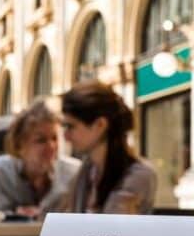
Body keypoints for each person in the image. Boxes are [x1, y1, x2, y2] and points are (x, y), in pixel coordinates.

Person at [60, 81, 157, 214]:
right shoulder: (87, 170)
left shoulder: (139, 175)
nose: (66, 136)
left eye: (71, 126)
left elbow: (112, 228)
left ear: (100, 124)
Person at [0, 100, 80, 217]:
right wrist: (17, 216)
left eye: (54, 138)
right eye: (41, 140)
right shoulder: (0, 170)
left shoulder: (74, 172)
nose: (51, 146)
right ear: (20, 146)